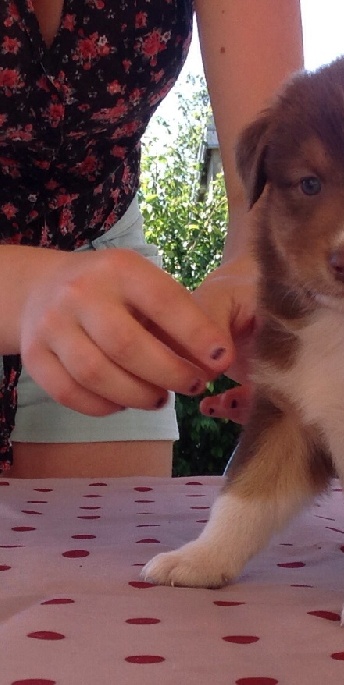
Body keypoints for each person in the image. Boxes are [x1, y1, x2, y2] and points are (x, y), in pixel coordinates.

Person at [0, 0, 303, 478]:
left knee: (117, 526)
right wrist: (23, 287)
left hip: (101, 257)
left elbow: (266, 182)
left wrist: (259, 269)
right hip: (72, 283)